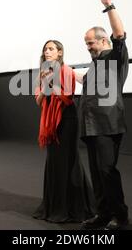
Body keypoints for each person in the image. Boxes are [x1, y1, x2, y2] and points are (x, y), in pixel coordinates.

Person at [79, 0, 129, 230]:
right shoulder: (96, 65)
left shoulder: (114, 56)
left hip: (107, 124)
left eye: (91, 42)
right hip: (90, 125)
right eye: (86, 43)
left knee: (107, 171)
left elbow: (120, 34)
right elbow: (84, 81)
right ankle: (103, 213)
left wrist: (109, 6)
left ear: (104, 41)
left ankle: (120, 215)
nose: (88, 47)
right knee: (97, 173)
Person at [33, 39, 95, 223]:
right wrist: (45, 87)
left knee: (69, 160)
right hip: (50, 124)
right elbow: (38, 101)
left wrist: (52, 84)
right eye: (45, 49)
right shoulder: (42, 73)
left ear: (60, 52)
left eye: (51, 49)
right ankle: (54, 205)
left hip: (67, 120)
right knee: (54, 161)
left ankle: (74, 206)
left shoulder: (66, 70)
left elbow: (67, 97)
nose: (47, 51)